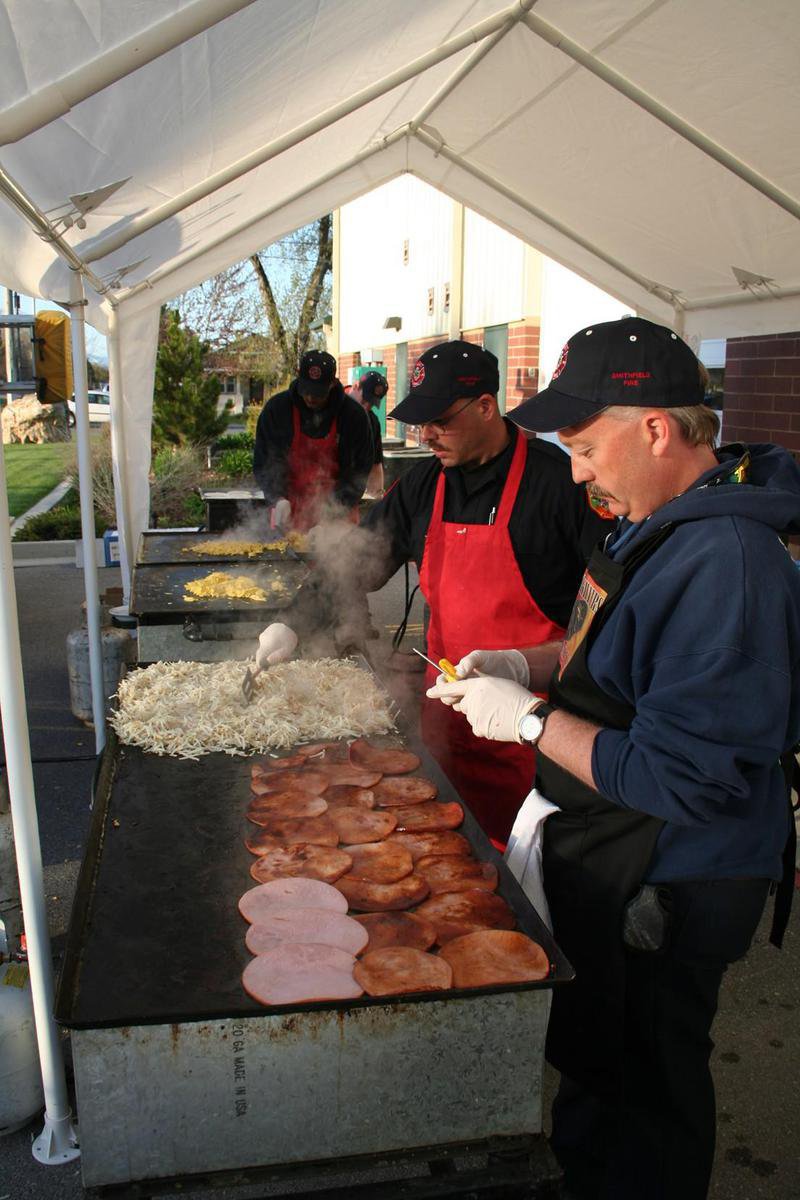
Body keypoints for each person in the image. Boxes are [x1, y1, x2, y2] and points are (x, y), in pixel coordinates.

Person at [426, 316, 800, 1199]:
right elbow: (599, 646)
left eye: (587, 447)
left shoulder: (730, 565)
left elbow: (682, 776)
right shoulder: (655, 523)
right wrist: (526, 666)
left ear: (657, 430)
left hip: (671, 876)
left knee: (650, 1090)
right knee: (600, 1061)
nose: (580, 470)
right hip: (608, 846)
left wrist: (526, 724)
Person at [352, 338, 605, 847]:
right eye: (419, 423)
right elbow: (354, 562)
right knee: (449, 860)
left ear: (486, 406)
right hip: (446, 727)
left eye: (440, 421)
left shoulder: (561, 484)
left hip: (540, 736)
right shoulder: (423, 484)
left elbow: (611, 616)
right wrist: (290, 621)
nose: (426, 436)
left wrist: (521, 667)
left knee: (534, 890)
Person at [253, 349, 373, 531]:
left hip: (338, 512)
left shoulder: (353, 416)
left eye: (318, 393)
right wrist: (277, 499)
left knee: (339, 558)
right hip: (288, 510)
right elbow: (265, 462)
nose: (310, 397)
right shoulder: (277, 411)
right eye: (306, 390)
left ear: (332, 384)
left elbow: (358, 473)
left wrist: (332, 516)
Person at [351, 369, 388, 498]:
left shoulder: (372, 422)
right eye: (364, 400)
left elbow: (376, 464)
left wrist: (377, 498)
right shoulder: (334, 408)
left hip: (352, 494)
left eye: (371, 404)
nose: (366, 407)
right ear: (356, 386)